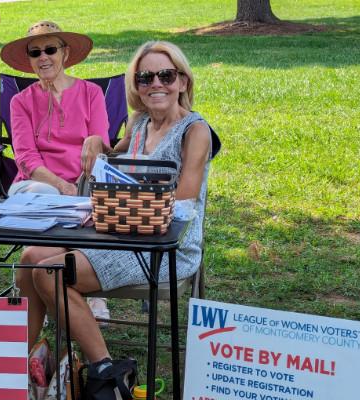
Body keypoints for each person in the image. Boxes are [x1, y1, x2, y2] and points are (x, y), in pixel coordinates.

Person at [16, 41, 220, 371]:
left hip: (164, 247)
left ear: (183, 82)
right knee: (30, 258)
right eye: (145, 78)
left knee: (49, 272)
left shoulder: (195, 131)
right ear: (136, 87)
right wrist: (96, 141)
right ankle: (24, 361)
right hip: (123, 233)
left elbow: (183, 205)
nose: (156, 84)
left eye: (166, 76)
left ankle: (105, 371)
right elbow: (111, 157)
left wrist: (126, 205)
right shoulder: (140, 123)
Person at [0, 20, 112, 322]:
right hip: (35, 186)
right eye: (35, 53)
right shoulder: (21, 101)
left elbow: (101, 142)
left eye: (50, 49)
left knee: (83, 204)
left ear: (65, 53)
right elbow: (25, 158)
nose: (43, 57)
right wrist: (63, 187)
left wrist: (81, 183)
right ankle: (58, 292)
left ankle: (54, 291)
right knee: (47, 194)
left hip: (85, 185)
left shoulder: (91, 93)